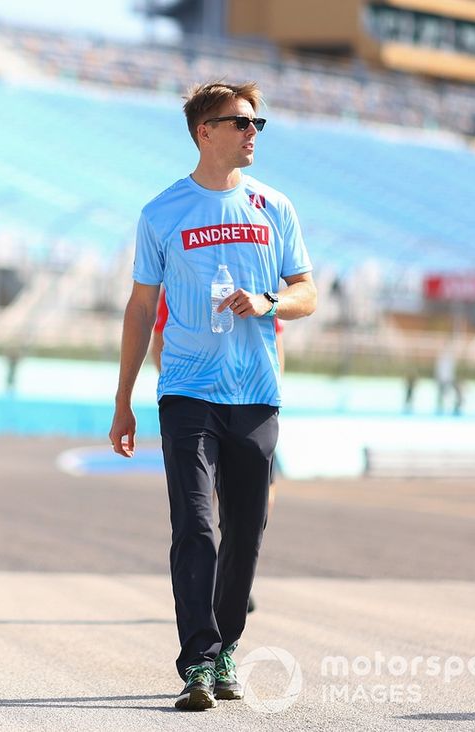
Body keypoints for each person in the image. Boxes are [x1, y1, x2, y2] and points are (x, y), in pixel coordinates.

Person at [110, 81, 316, 711]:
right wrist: (124, 401)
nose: (253, 133)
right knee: (195, 526)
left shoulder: (273, 207)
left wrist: (268, 301)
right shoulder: (162, 212)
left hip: (256, 394)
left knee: (245, 531)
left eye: (258, 124)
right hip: (187, 393)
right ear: (205, 131)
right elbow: (142, 308)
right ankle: (198, 660)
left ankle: (228, 643)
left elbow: (307, 292)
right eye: (241, 123)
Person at [150, 290, 284, 615]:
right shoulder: (182, 280)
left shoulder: (258, 279)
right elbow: (159, 342)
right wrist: (180, 389)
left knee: (259, 501)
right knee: (202, 504)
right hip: (201, 406)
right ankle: (210, 585)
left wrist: (273, 390)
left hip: (253, 406)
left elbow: (276, 340)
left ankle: (235, 577)